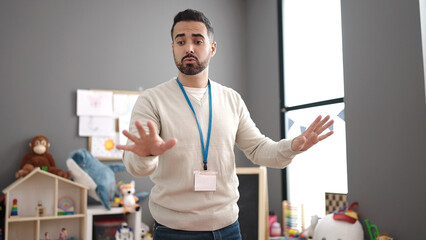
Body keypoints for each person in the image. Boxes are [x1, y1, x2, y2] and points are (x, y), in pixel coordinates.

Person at [117, 9, 334, 240]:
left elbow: (258, 149)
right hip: (174, 231)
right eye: (181, 41)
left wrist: (293, 146)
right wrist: (146, 155)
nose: (189, 48)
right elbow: (137, 167)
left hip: (228, 229)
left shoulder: (232, 99)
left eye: (197, 41)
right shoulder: (152, 100)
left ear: (212, 48)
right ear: (173, 48)